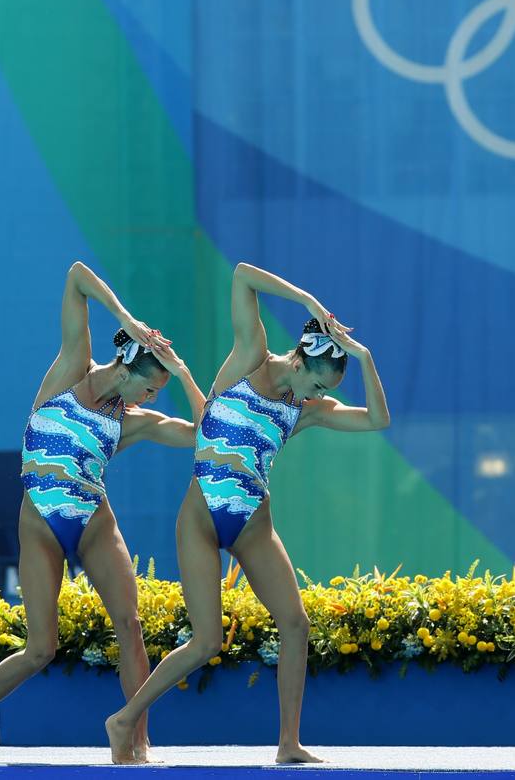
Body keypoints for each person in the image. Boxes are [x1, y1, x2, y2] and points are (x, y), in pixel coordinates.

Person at [104, 262, 390, 764]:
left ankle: (288, 744)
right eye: (317, 386)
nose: (317, 398)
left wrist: (363, 359)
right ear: (299, 363)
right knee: (206, 641)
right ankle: (125, 718)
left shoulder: (305, 410)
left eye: (323, 394)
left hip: (254, 524)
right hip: (199, 519)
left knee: (296, 624)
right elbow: (242, 276)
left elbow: (376, 419)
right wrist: (307, 302)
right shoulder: (248, 360)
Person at [0, 261, 206, 763]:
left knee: (129, 625)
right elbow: (76, 275)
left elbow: (207, 434)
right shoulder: (71, 369)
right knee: (41, 647)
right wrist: (127, 319)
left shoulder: (132, 422)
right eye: (151, 387)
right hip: (39, 523)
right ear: (126, 369)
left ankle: (136, 741)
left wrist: (184, 374)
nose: (153, 398)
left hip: (93, 520)